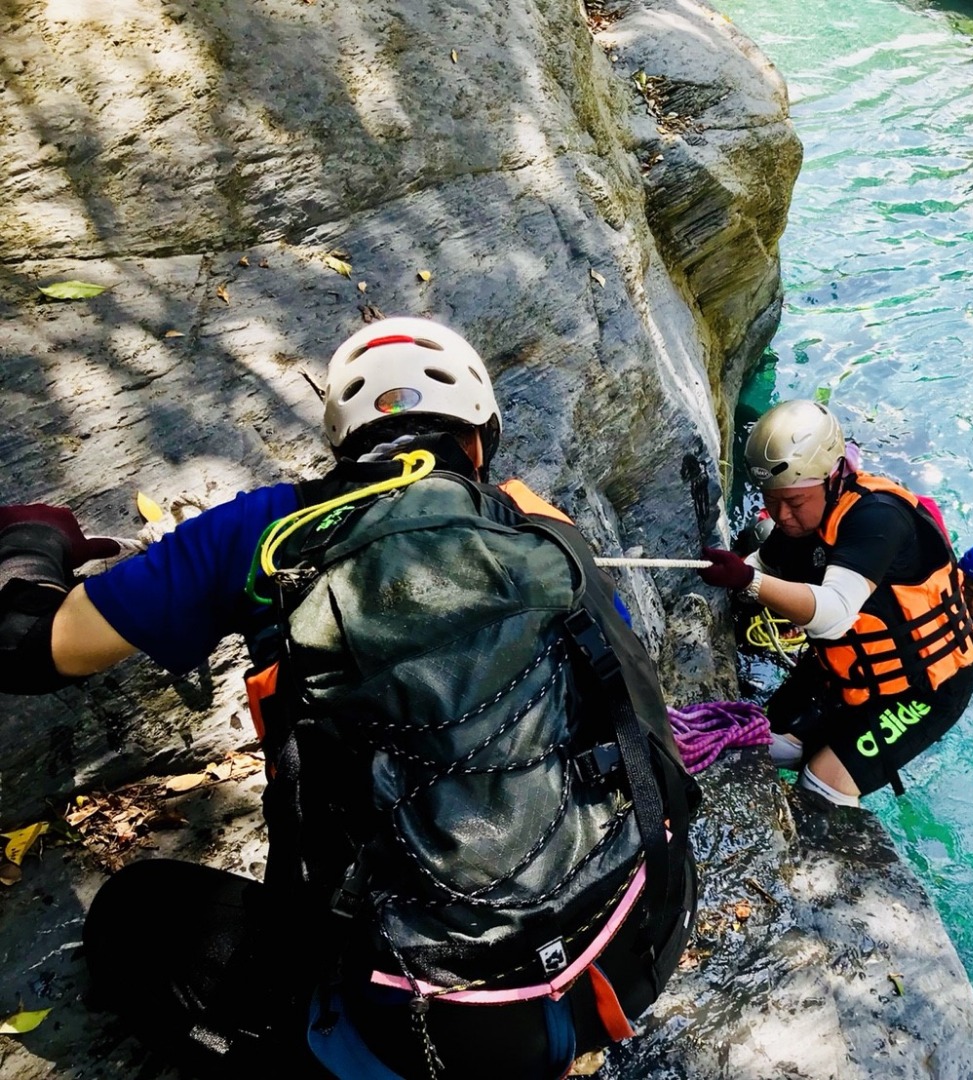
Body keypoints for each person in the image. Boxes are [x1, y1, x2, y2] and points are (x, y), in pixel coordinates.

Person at [0, 317, 698, 1080]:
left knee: (136, 916)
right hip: (639, 940)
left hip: (445, 1032)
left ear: (346, 442)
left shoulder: (263, 532)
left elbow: (32, 648)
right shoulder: (546, 531)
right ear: (478, 441)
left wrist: (32, 542)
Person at [697, 400, 973, 807]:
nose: (781, 515)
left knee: (821, 785)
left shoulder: (878, 519)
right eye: (772, 500)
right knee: (762, 745)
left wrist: (749, 582)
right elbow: (763, 562)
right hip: (843, 674)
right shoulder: (799, 522)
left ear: (832, 478)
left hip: (922, 687)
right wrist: (732, 569)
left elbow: (833, 614)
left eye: (794, 502)